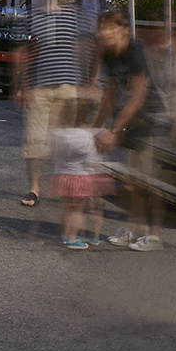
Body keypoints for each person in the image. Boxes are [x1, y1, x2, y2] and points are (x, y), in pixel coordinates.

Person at [94, 6, 166, 247]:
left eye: (110, 28)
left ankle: (154, 235)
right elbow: (110, 95)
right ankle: (137, 230)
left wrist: (114, 130)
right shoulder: (110, 54)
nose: (104, 33)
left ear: (123, 30)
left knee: (149, 181)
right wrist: (94, 128)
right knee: (135, 181)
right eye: (101, 28)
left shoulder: (135, 52)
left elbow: (138, 97)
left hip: (150, 120)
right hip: (130, 121)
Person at [15, 0, 82, 208]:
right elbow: (22, 53)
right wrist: (23, 86)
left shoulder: (72, 17)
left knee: (65, 141)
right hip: (38, 89)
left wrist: (87, 83)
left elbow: (83, 49)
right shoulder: (31, 17)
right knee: (34, 140)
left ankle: (66, 186)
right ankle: (34, 188)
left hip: (67, 86)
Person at [50, 89, 112, 248]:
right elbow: (90, 159)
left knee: (66, 207)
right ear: (85, 116)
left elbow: (53, 153)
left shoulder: (58, 133)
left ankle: (64, 235)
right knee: (78, 210)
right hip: (80, 177)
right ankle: (73, 238)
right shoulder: (86, 136)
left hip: (62, 175)